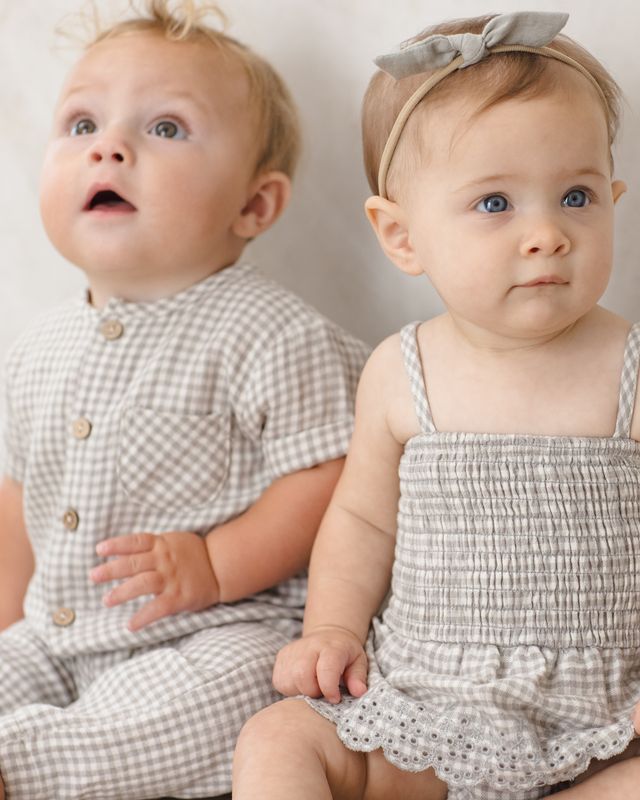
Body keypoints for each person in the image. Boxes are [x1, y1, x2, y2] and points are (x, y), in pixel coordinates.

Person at [232, 11, 640, 800]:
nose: (548, 233)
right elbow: (361, 520)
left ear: (615, 200)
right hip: (427, 710)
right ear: (401, 235)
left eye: (578, 195)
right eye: (496, 204)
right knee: (278, 738)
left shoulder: (630, 366)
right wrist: (331, 631)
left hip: (605, 720)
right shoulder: (400, 370)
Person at [0, 2, 369, 798]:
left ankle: (27, 767)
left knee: (213, 701)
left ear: (254, 206)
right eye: (81, 122)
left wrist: (215, 562)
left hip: (221, 628)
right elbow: (18, 501)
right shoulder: (36, 347)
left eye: (165, 128)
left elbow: (334, 475)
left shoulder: (267, 332)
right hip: (60, 632)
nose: (109, 146)